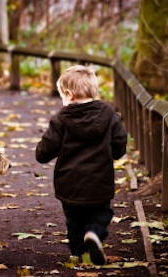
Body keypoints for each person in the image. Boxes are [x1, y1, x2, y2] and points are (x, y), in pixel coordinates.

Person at [35, 65, 127, 265]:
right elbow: (120, 143)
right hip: (100, 181)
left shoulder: (61, 118)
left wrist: (40, 153)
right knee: (102, 213)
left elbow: (45, 150)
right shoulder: (109, 114)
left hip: (69, 183)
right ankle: (94, 233)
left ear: (69, 94)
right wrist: (114, 153)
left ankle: (77, 254)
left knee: (74, 220)